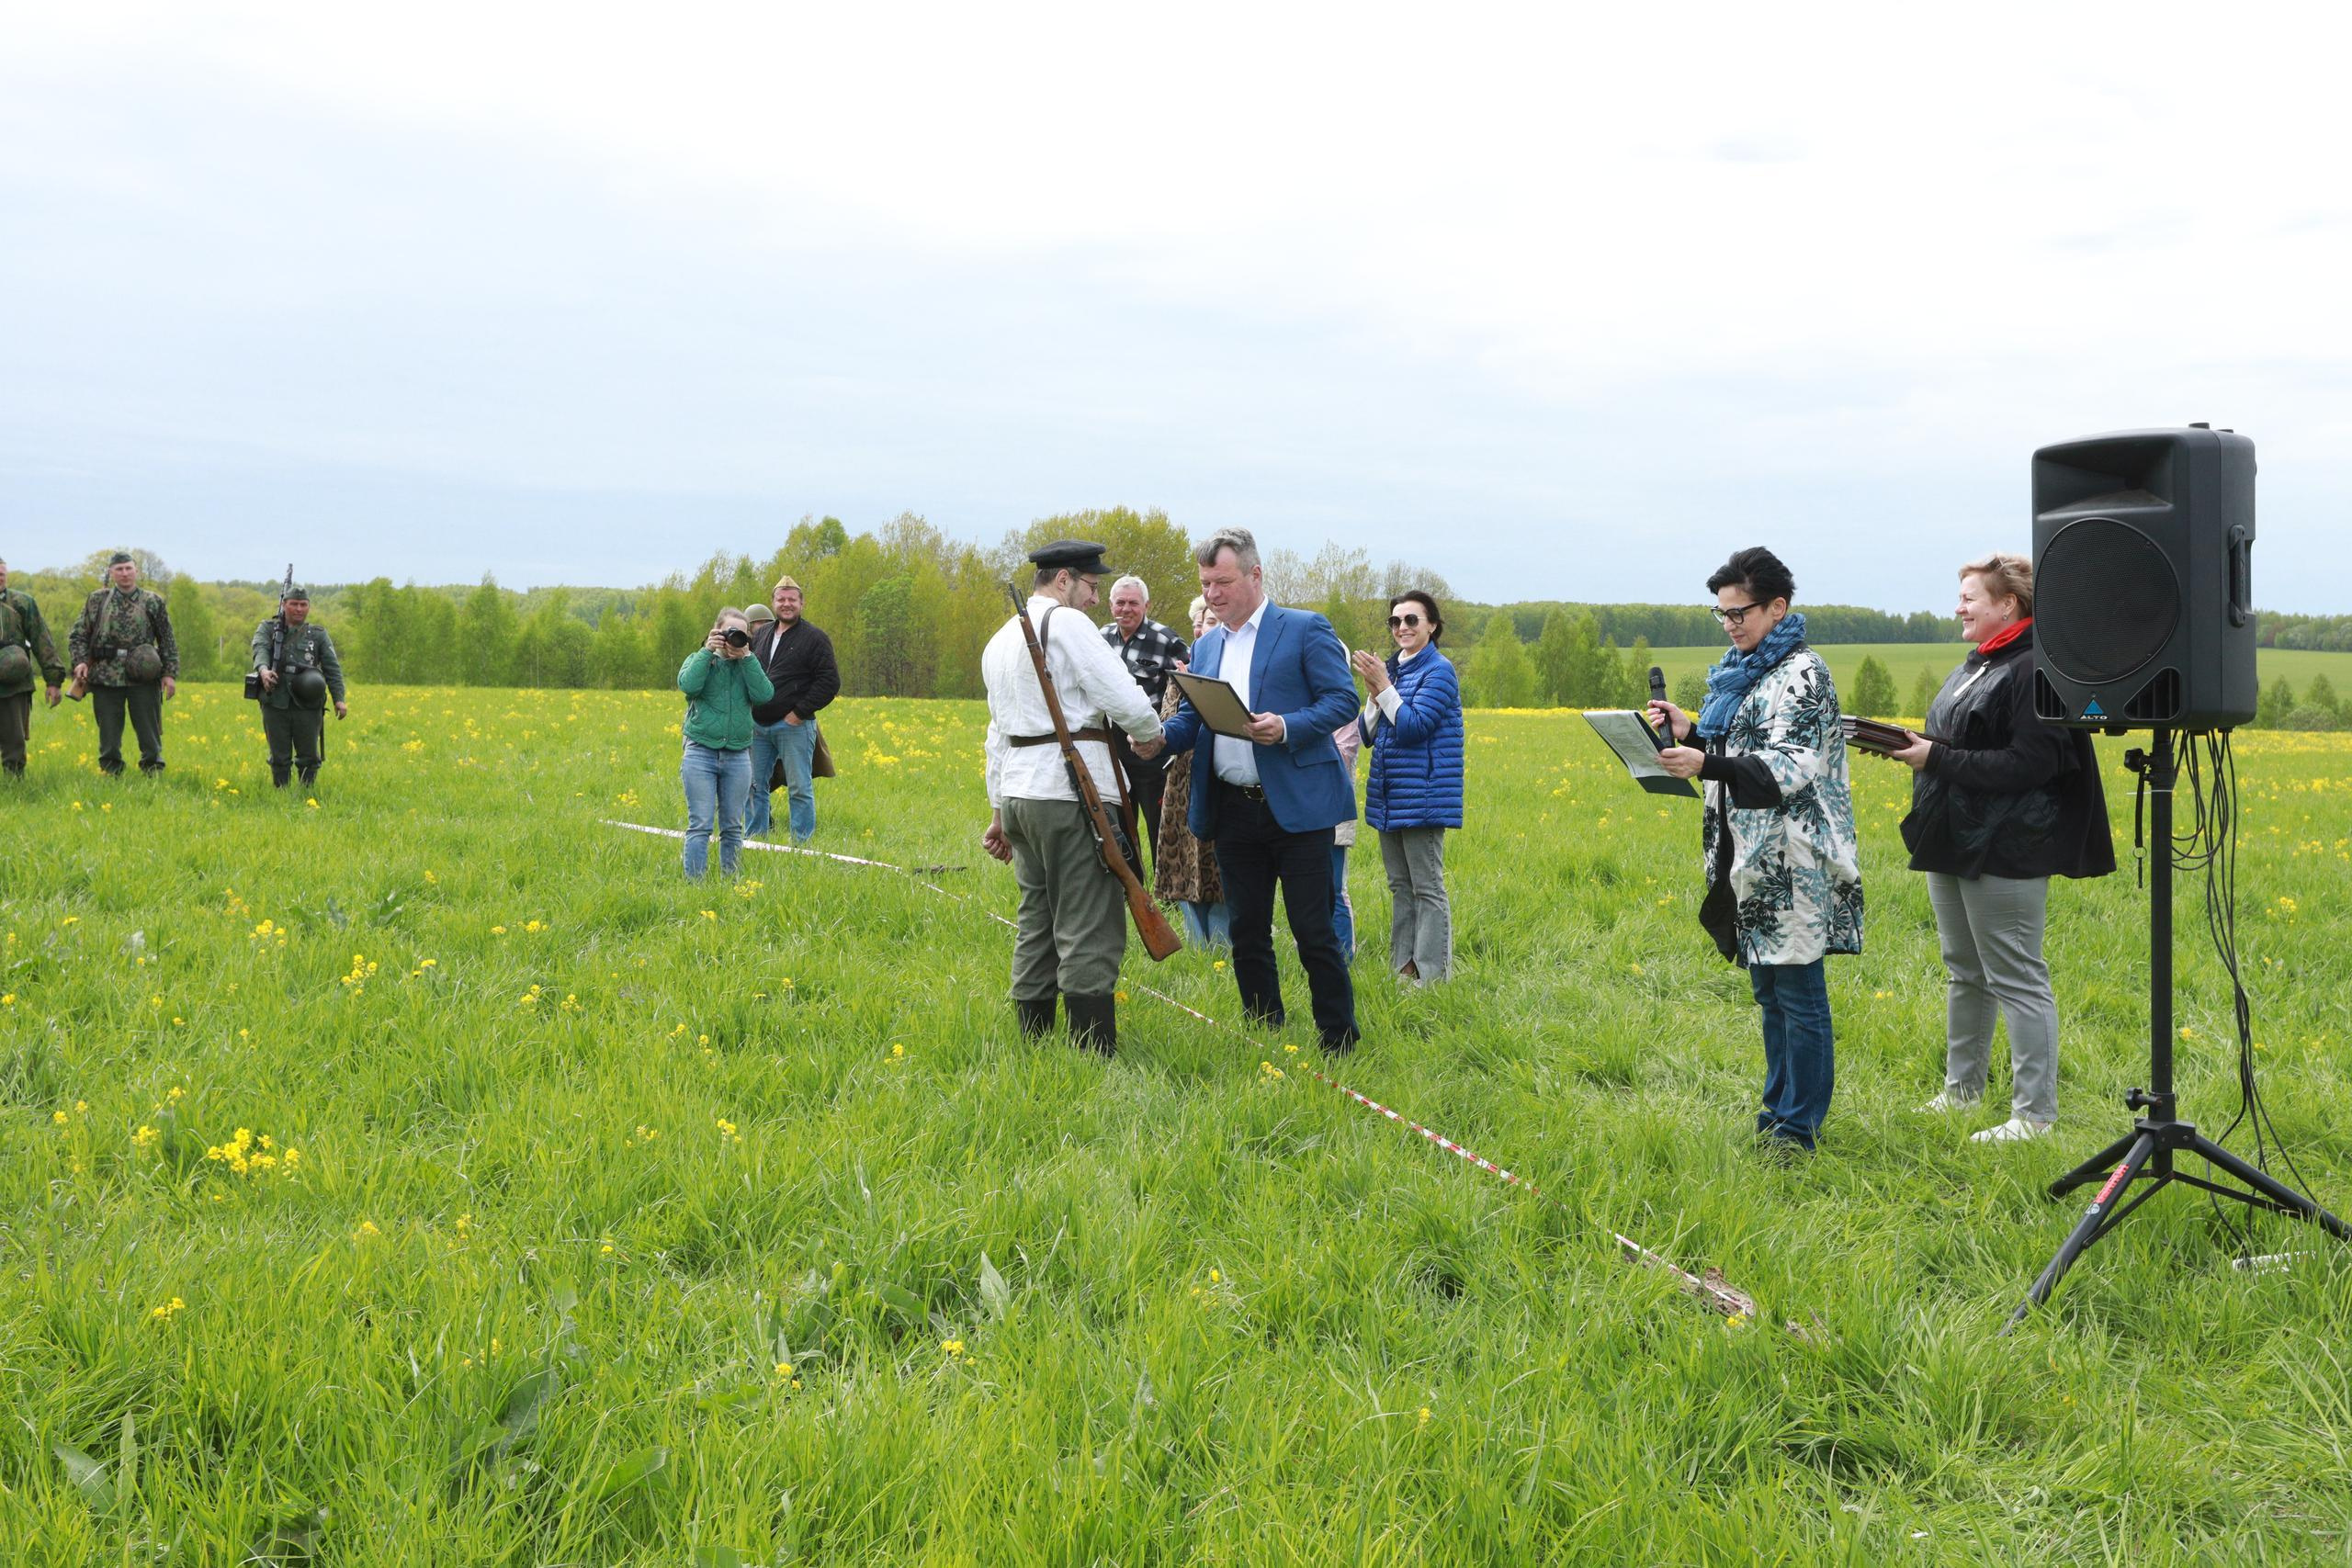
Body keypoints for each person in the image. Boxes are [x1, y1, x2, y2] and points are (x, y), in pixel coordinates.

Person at [1885, 552, 2114, 1144]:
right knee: (1965, 972)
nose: (1958, 607)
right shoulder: (1980, 663)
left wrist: (1935, 758)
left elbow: (2030, 763)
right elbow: (1963, 741)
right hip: (1953, 836)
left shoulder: (2036, 668)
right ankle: (1961, 1094)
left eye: (1970, 598)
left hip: (2008, 846)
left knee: (2016, 976)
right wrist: (1910, 745)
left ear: (2008, 604)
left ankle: (2034, 1117)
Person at [1649, 546, 1861, 1154]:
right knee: (1770, 993)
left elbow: (1788, 766)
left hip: (1794, 859)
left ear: (1778, 607)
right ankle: (1777, 1114)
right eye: (1722, 613)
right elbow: (1744, 746)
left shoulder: (1803, 673)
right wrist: (1694, 733)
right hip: (1751, 856)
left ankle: (1799, 1129)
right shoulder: (1747, 673)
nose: (1730, 624)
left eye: (1739, 612)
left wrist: (1705, 761)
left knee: (1799, 995)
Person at [1161, 527, 1362, 1054]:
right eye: (1206, 584)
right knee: (1247, 930)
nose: (1212, 594)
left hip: (1297, 809)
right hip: (1232, 808)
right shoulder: (1206, 646)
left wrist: (1288, 726)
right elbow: (1194, 720)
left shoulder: (1304, 628)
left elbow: (1342, 700)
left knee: (1313, 930)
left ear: (1255, 574)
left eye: (1223, 582)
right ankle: (1263, 1029)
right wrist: (1156, 738)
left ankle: (1338, 1038)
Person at [979, 541, 1165, 1055]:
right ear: (1063, 579)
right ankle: (1091, 1055)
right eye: (1091, 586)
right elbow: (1122, 695)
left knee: (1036, 920)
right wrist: (1150, 735)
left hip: (1019, 795)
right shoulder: (1067, 624)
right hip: (1070, 795)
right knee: (1089, 922)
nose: (1095, 599)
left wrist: (998, 810)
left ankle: (1034, 1045)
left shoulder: (999, 640)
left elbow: (996, 735)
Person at [1351, 590, 1464, 983]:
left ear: (1432, 626)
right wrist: (1373, 694)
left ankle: (1431, 977)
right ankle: (1403, 969)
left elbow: (1414, 727)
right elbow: (1367, 734)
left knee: (1427, 888)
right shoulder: (1391, 669)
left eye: (1412, 620)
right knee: (1400, 886)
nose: (1402, 627)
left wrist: (1384, 687)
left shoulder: (1439, 671)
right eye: (1395, 621)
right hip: (1390, 794)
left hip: (1424, 796)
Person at [1153, 594, 1229, 948]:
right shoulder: (1182, 672)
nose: (1203, 629)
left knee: (1217, 863)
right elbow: (1169, 720)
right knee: (1184, 861)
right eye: (1200, 623)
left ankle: (1224, 943)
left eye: (1211, 622)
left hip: (1216, 775)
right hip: (1181, 779)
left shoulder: (1229, 667)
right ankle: (1197, 944)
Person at [677, 608, 773, 879]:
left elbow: (765, 694)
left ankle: (731, 882)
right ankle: (695, 884)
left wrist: (747, 659)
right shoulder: (699, 659)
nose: (734, 638)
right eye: (729, 632)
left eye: (740, 634)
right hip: (700, 752)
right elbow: (688, 685)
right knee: (700, 824)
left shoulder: (748, 664)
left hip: (738, 755)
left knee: (732, 826)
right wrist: (708, 652)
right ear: (717, 631)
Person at [745, 575, 841, 843]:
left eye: (792, 600)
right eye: (781, 599)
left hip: (793, 726)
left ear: (801, 603)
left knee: (799, 788)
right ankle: (755, 840)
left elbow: (829, 682)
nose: (786, 604)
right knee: (753, 786)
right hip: (758, 726)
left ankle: (801, 844)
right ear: (773, 603)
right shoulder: (761, 634)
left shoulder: (815, 638)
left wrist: (798, 713)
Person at [1101, 574, 1189, 861]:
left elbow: (1191, 682)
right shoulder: (1100, 638)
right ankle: (1129, 880)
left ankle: (1165, 881)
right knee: (1119, 820)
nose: (1126, 609)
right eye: (1120, 603)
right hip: (1112, 744)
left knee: (1158, 821)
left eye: (1133, 603)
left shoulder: (1166, 639)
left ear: (1146, 605)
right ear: (1110, 605)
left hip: (1149, 744)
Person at [68, 552, 177, 776]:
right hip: (105, 676)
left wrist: (169, 673)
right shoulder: (97, 600)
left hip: (144, 676)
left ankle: (153, 771)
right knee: (108, 732)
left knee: (149, 730)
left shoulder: (153, 601)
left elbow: (167, 639)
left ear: (136, 571)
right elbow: (78, 635)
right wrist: (80, 662)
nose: (124, 573)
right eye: (119, 569)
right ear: (111, 572)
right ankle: (110, 772)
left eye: (128, 568)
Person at [248, 583, 348, 790]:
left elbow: (332, 668)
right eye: (294, 604)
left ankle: (306, 792)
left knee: (309, 755)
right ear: (284, 605)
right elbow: (260, 649)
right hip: (276, 699)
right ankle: (281, 792)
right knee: (279, 755)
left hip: (308, 702)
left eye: (303, 604)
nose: (299, 609)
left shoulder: (318, 634)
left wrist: (339, 699)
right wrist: (264, 671)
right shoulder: (268, 629)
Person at [0, 556, 67, 778]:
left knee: (14, 738)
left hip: (14, 682)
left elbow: (42, 641)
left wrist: (53, 680)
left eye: (1, 574)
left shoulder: (23, 603)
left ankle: (13, 782)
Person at [1330, 716, 1362, 962]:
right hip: (1301, 812)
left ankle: (1343, 957)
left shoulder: (1343, 712)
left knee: (1334, 889)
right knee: (1306, 892)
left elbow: (1341, 758)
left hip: (1335, 813)